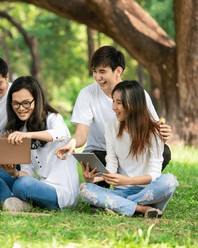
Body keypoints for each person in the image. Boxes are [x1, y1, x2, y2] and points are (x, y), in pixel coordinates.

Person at [55, 46, 172, 185]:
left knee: (164, 152)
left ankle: (135, 185)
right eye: (95, 71)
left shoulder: (138, 94)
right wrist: (72, 143)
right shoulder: (87, 94)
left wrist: (163, 134)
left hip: (131, 153)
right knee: (93, 181)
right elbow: (81, 133)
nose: (97, 77)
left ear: (118, 71)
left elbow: (153, 130)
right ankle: (107, 187)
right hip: (102, 153)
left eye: (102, 71)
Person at [79, 80, 178, 218]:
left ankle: (121, 205)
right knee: (85, 188)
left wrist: (127, 181)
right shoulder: (111, 127)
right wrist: (91, 179)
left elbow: (155, 173)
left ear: (134, 104)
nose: (113, 107)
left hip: (147, 190)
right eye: (113, 101)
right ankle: (142, 209)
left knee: (169, 181)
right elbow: (112, 165)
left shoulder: (155, 131)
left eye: (118, 103)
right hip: (121, 191)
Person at [0, 76, 80, 211]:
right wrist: (14, 173)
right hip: (39, 185)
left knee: (22, 185)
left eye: (26, 103)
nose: (20, 108)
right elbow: (27, 172)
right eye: (15, 103)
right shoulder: (22, 129)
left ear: (37, 101)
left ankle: (17, 200)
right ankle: (11, 201)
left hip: (61, 194)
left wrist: (27, 136)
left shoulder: (53, 118)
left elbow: (61, 133)